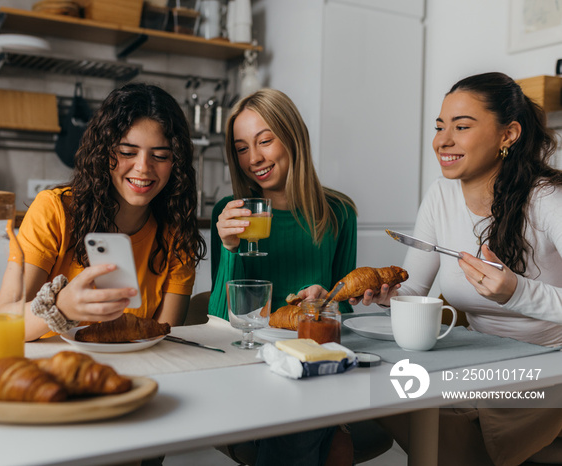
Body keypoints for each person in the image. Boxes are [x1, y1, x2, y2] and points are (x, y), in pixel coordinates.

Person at [356, 72, 562, 465]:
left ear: (509, 134)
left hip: (549, 364)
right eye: (439, 127)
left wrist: (516, 292)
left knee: (431, 419)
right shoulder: (440, 194)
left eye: (461, 127)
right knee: (382, 387)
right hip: (481, 358)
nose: (442, 141)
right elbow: (412, 292)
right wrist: (388, 296)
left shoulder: (547, 198)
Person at [209, 88, 358, 466]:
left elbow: (347, 317)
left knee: (312, 430)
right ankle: (331, 428)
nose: (253, 158)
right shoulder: (231, 213)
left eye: (265, 141)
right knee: (316, 437)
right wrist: (229, 248)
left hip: (314, 363)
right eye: (241, 148)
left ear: (293, 137)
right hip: (249, 363)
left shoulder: (338, 213)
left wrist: (327, 304)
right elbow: (219, 320)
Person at [0, 82, 206, 342]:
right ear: (103, 152)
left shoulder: (176, 233)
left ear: (176, 164)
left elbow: (164, 336)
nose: (143, 167)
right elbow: (2, 323)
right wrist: (61, 307)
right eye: (127, 152)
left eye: (161, 156)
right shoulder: (54, 210)